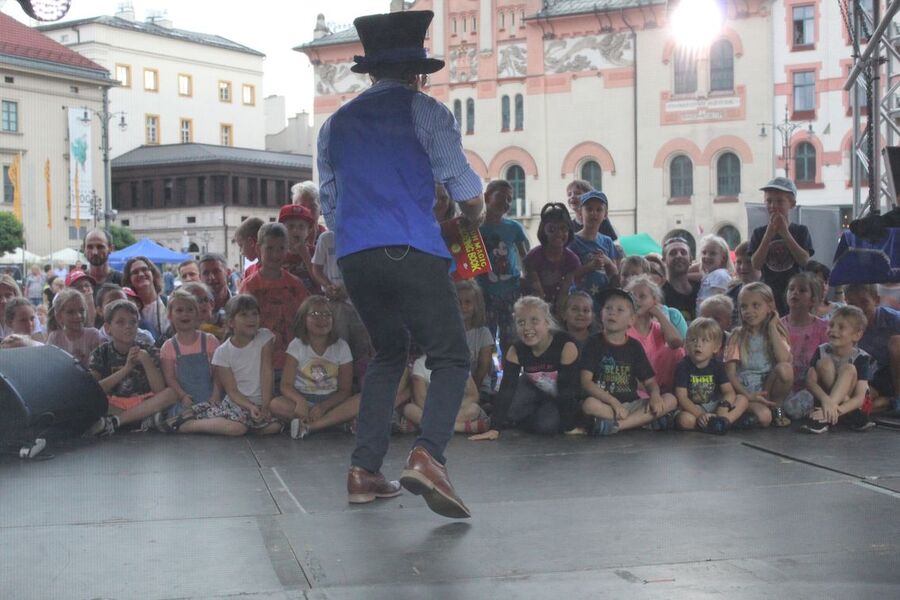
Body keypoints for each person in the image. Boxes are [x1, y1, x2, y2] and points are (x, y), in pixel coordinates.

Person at [317, 9, 484, 517]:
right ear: (418, 71)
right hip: (411, 248)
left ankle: (364, 470)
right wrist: (464, 217)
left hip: (356, 256)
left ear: (370, 72)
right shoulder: (427, 111)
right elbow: (468, 190)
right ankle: (428, 455)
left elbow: (329, 203)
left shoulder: (334, 124)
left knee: (389, 354)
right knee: (452, 356)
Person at [473, 296, 580, 438]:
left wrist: (569, 427)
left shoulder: (566, 345)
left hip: (560, 396)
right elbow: (507, 389)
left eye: (534, 320)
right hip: (533, 388)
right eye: (521, 322)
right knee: (508, 410)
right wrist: (494, 429)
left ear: (547, 322)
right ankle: (503, 413)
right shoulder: (516, 350)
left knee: (546, 426)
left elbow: (568, 390)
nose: (527, 328)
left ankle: (523, 418)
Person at [580, 288, 678, 435]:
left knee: (670, 399)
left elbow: (650, 382)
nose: (612, 313)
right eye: (608, 308)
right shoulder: (593, 343)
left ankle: (618, 426)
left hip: (631, 405)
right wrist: (614, 402)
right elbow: (586, 382)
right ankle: (642, 421)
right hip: (606, 404)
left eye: (620, 310)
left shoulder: (634, 346)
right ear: (601, 314)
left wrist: (655, 396)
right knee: (589, 405)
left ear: (631, 320)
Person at [268, 295, 361, 440]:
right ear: (303, 319)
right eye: (315, 314)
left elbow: (344, 390)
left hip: (332, 401)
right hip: (303, 398)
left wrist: (324, 407)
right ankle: (335, 422)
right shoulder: (296, 345)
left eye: (327, 315)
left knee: (361, 400)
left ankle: (310, 426)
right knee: (275, 405)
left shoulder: (341, 346)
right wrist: (300, 402)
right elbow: (286, 385)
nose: (322, 319)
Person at [158, 289, 246, 436]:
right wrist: (182, 396)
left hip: (211, 399)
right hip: (186, 403)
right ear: (170, 316)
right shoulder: (168, 347)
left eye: (190, 310)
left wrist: (216, 395)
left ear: (197, 314)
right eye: (179, 310)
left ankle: (188, 425)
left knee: (239, 427)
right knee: (234, 428)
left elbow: (219, 373)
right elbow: (170, 378)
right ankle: (190, 423)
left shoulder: (210, 341)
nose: (185, 314)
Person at [85, 299, 178, 436]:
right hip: (115, 405)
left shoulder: (148, 350)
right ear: (108, 327)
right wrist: (126, 369)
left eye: (133, 322)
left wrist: (146, 361)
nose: (128, 326)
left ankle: (116, 422)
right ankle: (141, 421)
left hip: (144, 403)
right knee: (89, 400)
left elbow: (159, 390)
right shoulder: (100, 353)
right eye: (120, 322)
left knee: (171, 393)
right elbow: (95, 390)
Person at [239, 223, 308, 380]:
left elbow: (304, 319)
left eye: (281, 249)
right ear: (258, 248)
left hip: (292, 360)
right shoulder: (249, 285)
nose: (276, 254)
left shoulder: (296, 284)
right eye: (270, 248)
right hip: (258, 362)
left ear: (287, 249)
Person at [211, 294, 284, 435]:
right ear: (231, 322)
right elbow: (231, 391)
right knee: (236, 428)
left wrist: (266, 405)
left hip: (262, 401)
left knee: (274, 427)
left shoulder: (264, 337)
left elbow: (266, 371)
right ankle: (192, 424)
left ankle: (251, 426)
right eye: (244, 315)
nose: (251, 319)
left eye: (254, 314)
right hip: (238, 403)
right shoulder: (222, 352)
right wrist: (249, 406)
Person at [724, 282, 793, 428]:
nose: (749, 311)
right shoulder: (737, 335)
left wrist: (772, 326)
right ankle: (744, 414)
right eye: (744, 306)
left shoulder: (776, 333)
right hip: (745, 391)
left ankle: (776, 406)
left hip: (768, 387)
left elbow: (783, 360)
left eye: (756, 305)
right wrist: (748, 396)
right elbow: (730, 373)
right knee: (764, 418)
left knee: (785, 369)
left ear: (769, 307)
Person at [797, 305, 874, 432]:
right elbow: (810, 382)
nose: (833, 330)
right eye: (831, 325)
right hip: (824, 401)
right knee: (824, 364)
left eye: (841, 327)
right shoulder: (821, 350)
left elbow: (860, 398)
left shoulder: (861, 358)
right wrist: (826, 400)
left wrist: (836, 409)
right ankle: (845, 416)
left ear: (857, 334)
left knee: (848, 368)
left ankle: (826, 417)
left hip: (847, 406)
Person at [749, 177, 814, 316]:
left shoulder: (801, 231)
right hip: (768, 294)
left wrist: (785, 233)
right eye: (769, 201)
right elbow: (756, 264)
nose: (773, 205)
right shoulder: (759, 233)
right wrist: (768, 235)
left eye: (779, 201)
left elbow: (805, 261)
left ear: (792, 203)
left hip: (795, 294)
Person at [478, 179, 528, 355]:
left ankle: (510, 378)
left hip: (510, 291)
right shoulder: (475, 227)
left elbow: (524, 255)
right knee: (486, 339)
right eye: (500, 197)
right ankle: (486, 378)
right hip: (484, 292)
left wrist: (526, 278)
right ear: (486, 197)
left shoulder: (514, 227)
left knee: (510, 338)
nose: (505, 203)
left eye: (509, 199)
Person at [674, 318, 747, 434]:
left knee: (742, 399)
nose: (698, 344)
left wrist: (723, 406)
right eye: (693, 340)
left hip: (715, 406)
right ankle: (714, 424)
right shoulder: (683, 366)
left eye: (704, 340)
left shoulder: (718, 366)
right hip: (694, 407)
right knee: (685, 420)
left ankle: (723, 421)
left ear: (716, 347)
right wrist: (700, 415)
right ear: (686, 344)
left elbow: (729, 392)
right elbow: (682, 397)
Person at [844, 283, 900, 415]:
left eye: (864, 302)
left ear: (876, 300)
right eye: (853, 304)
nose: (859, 309)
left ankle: (898, 398)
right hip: (871, 381)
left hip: (895, 375)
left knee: (896, 342)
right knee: (857, 408)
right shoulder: (845, 324)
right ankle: (889, 403)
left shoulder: (895, 319)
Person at [625, 275, 685, 394]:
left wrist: (659, 314)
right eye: (632, 296)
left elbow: (676, 343)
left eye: (642, 296)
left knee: (677, 352)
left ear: (654, 300)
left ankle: (671, 395)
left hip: (660, 383)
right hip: (636, 385)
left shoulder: (658, 328)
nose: (636, 300)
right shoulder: (625, 329)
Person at [522, 202, 580, 314]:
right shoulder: (532, 258)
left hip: (562, 310)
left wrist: (559, 316)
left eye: (563, 229)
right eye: (552, 229)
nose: (558, 233)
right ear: (543, 231)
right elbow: (537, 292)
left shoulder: (572, 260)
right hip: (535, 309)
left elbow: (564, 292)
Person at [569, 190, 619, 314]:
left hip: (602, 302)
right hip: (579, 302)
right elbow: (568, 275)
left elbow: (615, 273)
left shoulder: (607, 241)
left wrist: (607, 262)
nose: (594, 213)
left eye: (599, 210)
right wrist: (589, 267)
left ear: (605, 214)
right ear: (580, 212)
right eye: (589, 209)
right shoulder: (572, 241)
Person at [780, 272, 829, 397]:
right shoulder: (777, 326)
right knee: (778, 407)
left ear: (813, 300)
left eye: (802, 290)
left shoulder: (823, 328)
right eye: (791, 289)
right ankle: (779, 415)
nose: (795, 292)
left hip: (812, 389)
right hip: (782, 387)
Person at [620, 255, 688, 338]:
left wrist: (659, 316)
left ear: (647, 278)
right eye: (624, 274)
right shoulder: (615, 314)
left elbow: (685, 347)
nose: (628, 279)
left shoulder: (673, 316)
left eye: (634, 275)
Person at [456, 280, 495, 400]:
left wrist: (469, 395)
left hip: (479, 388)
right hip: (452, 387)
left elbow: (482, 369)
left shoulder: (483, 333)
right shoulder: (447, 332)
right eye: (459, 302)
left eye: (468, 302)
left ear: (476, 305)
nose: (463, 307)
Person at [45, 288, 104, 368]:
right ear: (59, 316)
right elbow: (50, 365)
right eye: (70, 312)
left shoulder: (93, 335)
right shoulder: (55, 337)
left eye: (81, 311)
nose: (78, 316)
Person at [122, 256, 169, 340]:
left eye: (144, 269)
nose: (141, 274)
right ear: (129, 280)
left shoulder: (169, 303)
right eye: (135, 272)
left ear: (153, 274)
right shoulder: (128, 310)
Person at [280, 203, 320, 295]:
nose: (295, 230)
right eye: (290, 226)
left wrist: (306, 256)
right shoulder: (278, 253)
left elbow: (321, 284)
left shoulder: (316, 252)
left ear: (308, 231)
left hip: (312, 304)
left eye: (301, 226)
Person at [662, 236, 699, 323]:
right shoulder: (659, 293)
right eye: (673, 253)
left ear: (690, 259)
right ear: (664, 261)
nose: (679, 256)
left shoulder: (702, 287)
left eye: (683, 252)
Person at [696, 234, 734, 315]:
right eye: (704, 252)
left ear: (723, 257)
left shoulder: (720, 275)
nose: (707, 256)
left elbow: (717, 303)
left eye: (712, 253)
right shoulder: (712, 275)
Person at [292, 181, 327, 247]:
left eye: (312, 207)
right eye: (302, 207)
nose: (308, 212)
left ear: (321, 209)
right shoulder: (287, 239)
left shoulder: (328, 239)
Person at [0, 274, 22, 338]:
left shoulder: (28, 316)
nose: (3, 301)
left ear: (16, 296)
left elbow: (38, 345)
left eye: (8, 295)